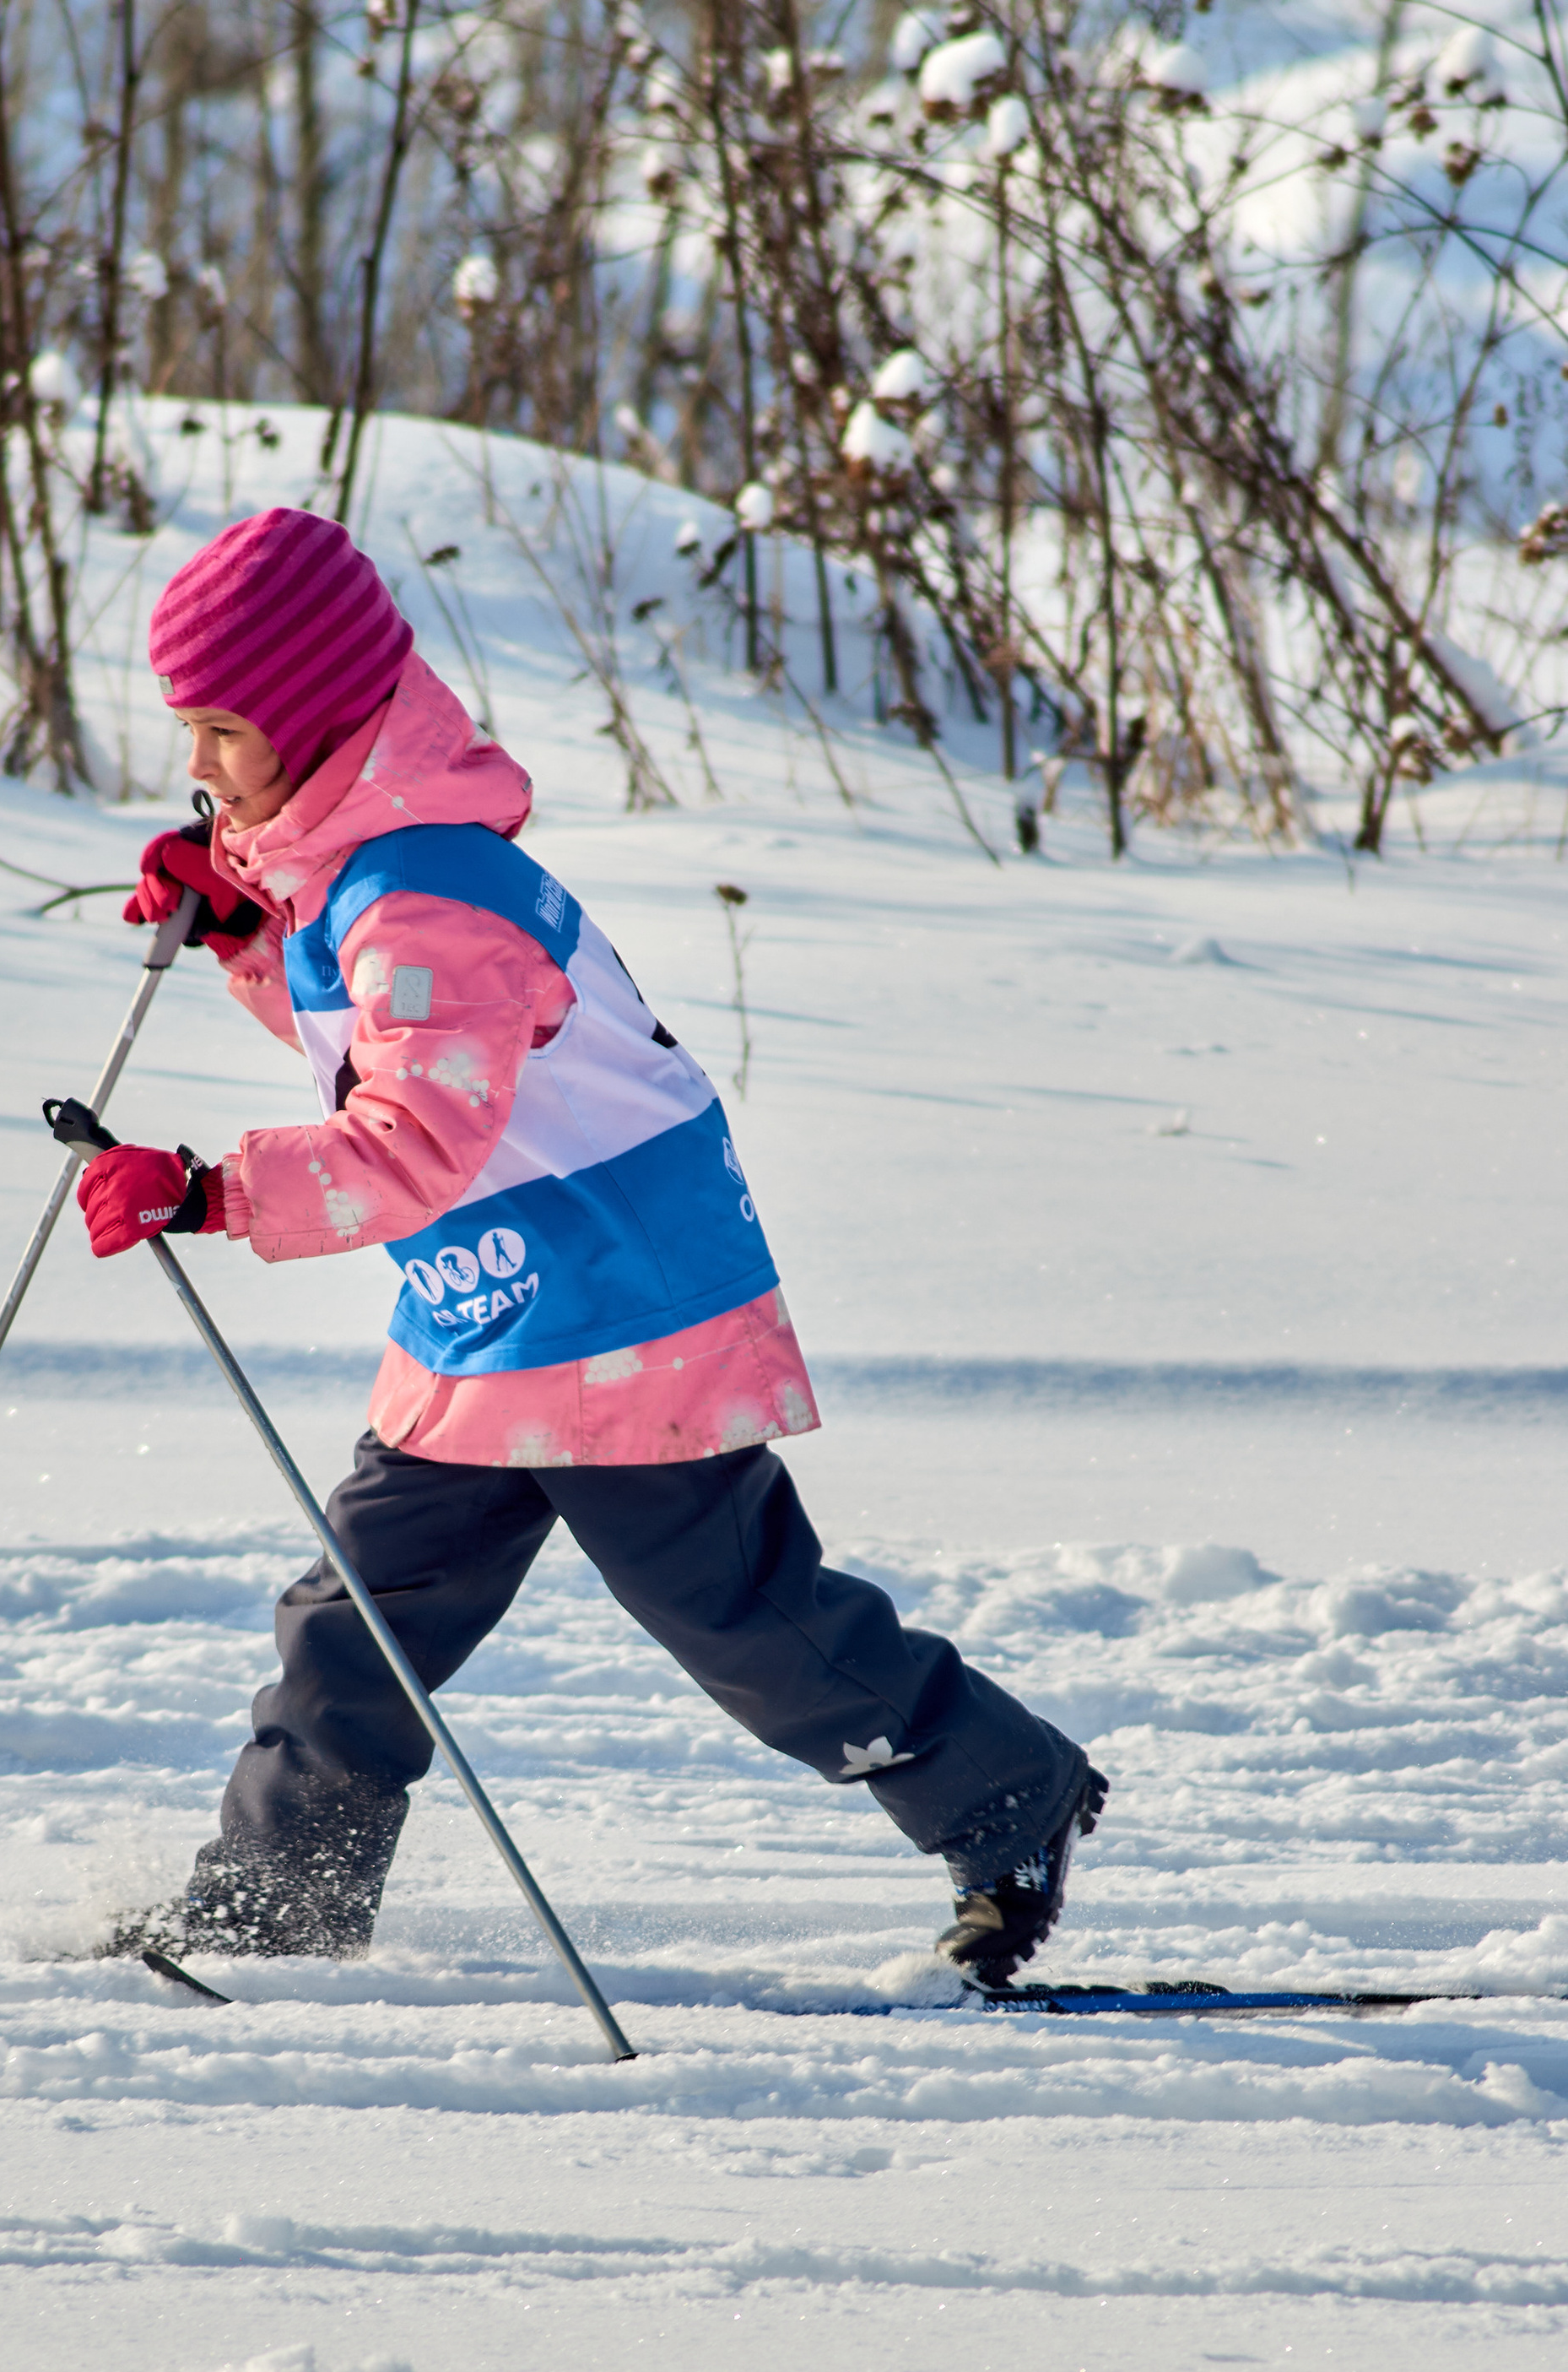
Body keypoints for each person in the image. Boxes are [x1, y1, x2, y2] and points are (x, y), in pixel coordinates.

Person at [76, 506, 1106, 1985]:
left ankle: (1011, 1797)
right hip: (492, 1321)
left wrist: (207, 1192)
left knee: (745, 1621)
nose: (203, 765)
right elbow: (376, 1051)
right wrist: (245, 934)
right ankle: (278, 1907)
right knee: (352, 1625)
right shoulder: (354, 878)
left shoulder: (424, 887)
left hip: (624, 1309)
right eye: (190, 730)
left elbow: (419, 1143)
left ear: (309, 722)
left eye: (225, 728)